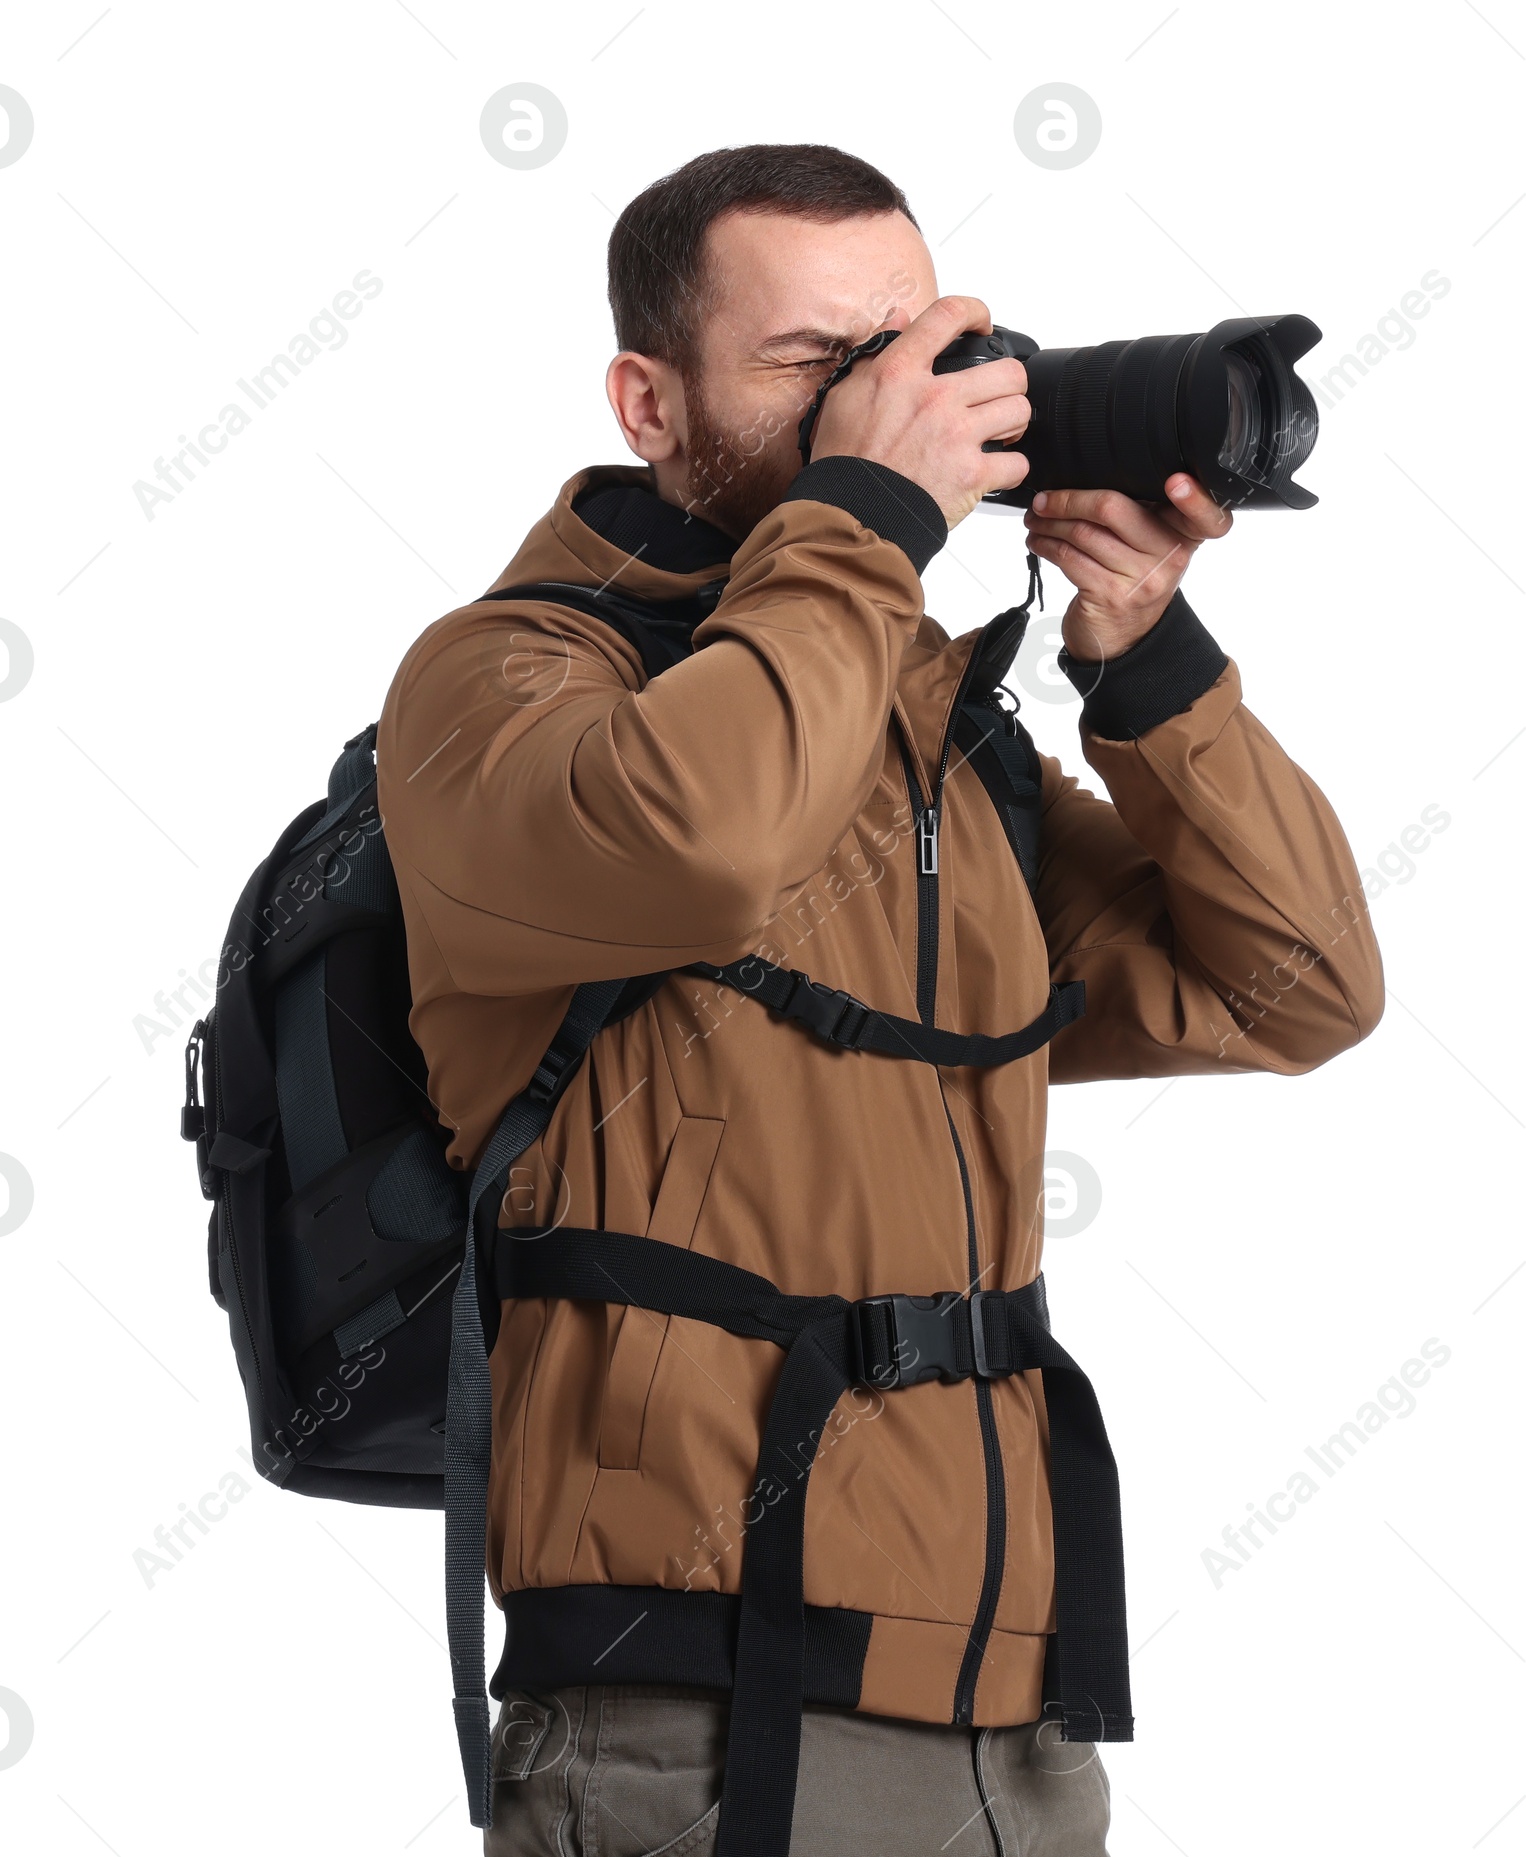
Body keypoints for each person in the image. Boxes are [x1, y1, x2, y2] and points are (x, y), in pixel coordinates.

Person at [376, 142, 1384, 1857]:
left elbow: (1297, 986)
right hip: (690, 1717)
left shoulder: (934, 744)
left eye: (910, 346)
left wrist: (1147, 661)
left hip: (1015, 1720)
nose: (890, 399)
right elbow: (698, 841)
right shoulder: (505, 682)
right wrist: (869, 525)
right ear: (648, 398)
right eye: (811, 366)